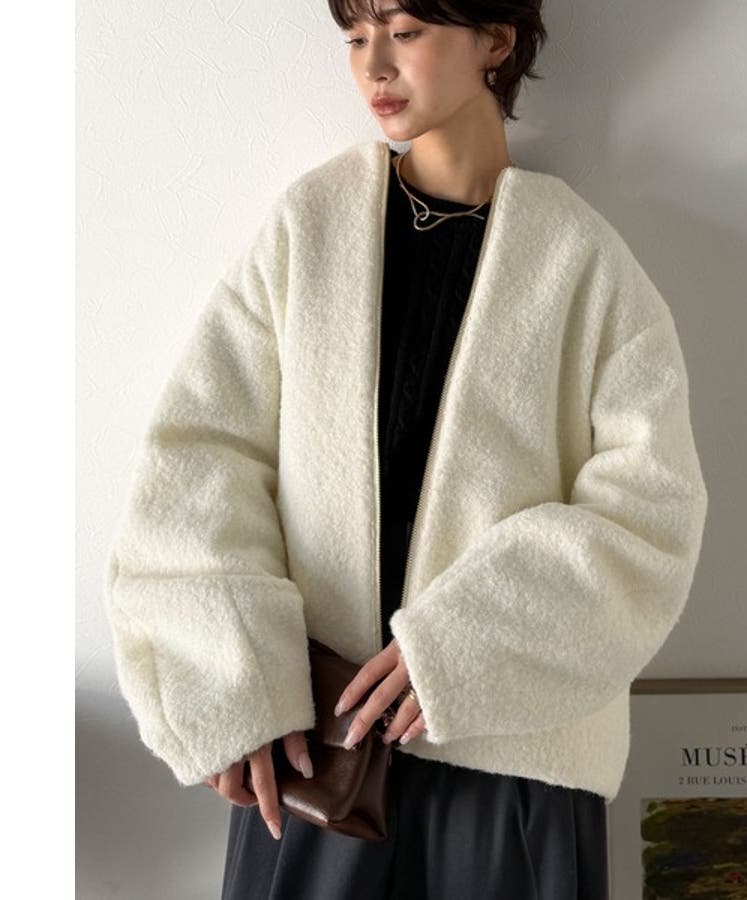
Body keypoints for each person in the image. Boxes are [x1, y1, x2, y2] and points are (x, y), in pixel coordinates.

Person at [102, 1, 709, 898]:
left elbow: (649, 515)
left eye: (406, 30)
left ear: (496, 39)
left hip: (513, 770)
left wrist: (466, 648)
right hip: (316, 750)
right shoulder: (312, 224)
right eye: (356, 36)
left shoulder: (583, 262)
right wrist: (231, 684)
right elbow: (202, 456)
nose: (373, 65)